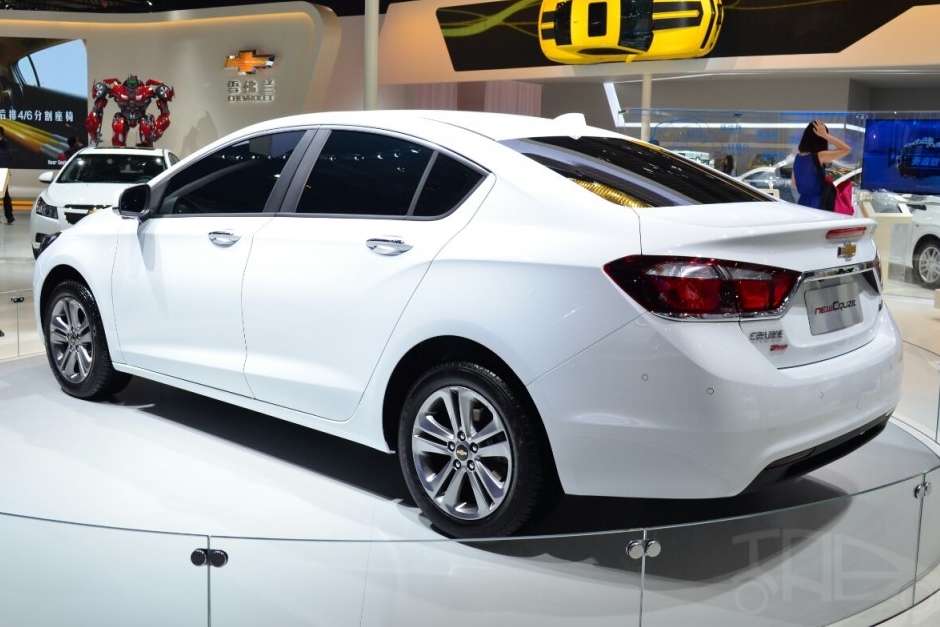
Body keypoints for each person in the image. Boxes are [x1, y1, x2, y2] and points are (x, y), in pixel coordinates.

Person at [790, 120, 851, 209]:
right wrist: (826, 135)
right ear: (821, 138)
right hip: (818, 203)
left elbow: (794, 184)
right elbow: (846, 149)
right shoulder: (820, 156)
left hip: (802, 202)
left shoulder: (798, 157)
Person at [0, 126, 12, 224]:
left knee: (5, 195)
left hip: (2, 171)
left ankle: (9, 216)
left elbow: (6, 157)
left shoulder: (4, 143)